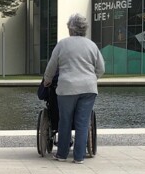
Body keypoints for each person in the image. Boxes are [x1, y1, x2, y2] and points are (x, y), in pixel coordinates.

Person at [42, 12, 105, 164]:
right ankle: (78, 157)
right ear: (85, 29)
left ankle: (62, 154)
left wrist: (47, 81)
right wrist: (92, 79)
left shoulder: (62, 44)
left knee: (65, 120)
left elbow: (51, 67)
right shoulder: (92, 45)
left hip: (67, 87)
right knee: (83, 123)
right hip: (88, 88)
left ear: (70, 29)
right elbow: (101, 68)